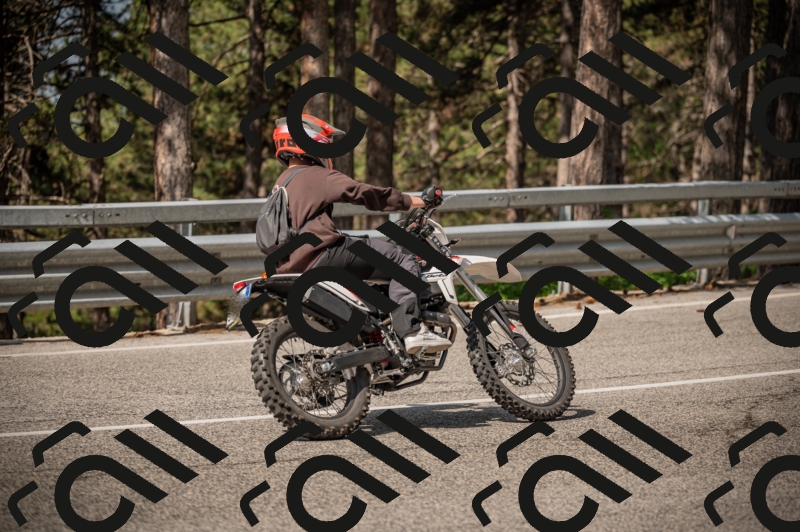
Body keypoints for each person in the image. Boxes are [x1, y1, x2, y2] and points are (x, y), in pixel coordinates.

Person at [268, 114, 452, 355]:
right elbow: (366, 194)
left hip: (287, 265)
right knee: (402, 258)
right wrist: (416, 201)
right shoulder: (316, 176)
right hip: (320, 255)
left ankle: (372, 338)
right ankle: (411, 331)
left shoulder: (281, 183)